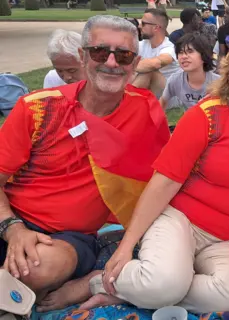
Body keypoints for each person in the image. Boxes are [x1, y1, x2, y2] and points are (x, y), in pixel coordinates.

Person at [81, 31, 229, 313]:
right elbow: (163, 183)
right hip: (183, 220)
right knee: (163, 283)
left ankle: (141, 287)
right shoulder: (208, 115)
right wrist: (127, 244)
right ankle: (103, 282)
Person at [0, 15, 169, 311]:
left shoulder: (145, 109)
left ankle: (38, 289)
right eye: (100, 52)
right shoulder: (38, 108)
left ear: (135, 61)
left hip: (68, 238)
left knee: (35, 269)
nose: (112, 63)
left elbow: (165, 177)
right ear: (82, 56)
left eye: (124, 55)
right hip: (11, 217)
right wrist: (13, 228)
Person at [160, 33, 220, 110]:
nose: (184, 56)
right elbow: (163, 101)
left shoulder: (218, 83)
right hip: (189, 121)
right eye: (180, 52)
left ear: (204, 55)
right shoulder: (175, 80)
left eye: (190, 51)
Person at [132, 9, 180, 97]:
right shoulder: (143, 44)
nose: (139, 26)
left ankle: (124, 104)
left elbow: (155, 64)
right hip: (150, 91)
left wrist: (127, 66)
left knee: (149, 71)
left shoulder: (169, 48)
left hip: (168, 97)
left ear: (156, 28)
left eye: (143, 23)